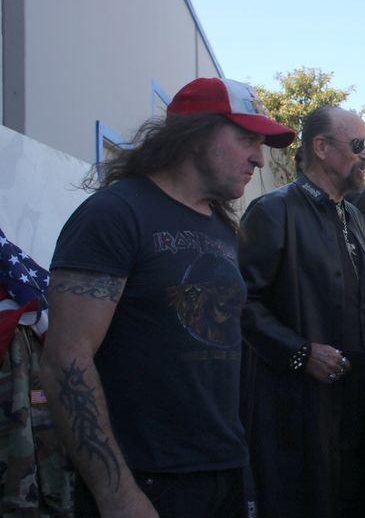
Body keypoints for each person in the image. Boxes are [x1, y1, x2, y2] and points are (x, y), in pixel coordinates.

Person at [41, 77, 296, 518]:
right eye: (246, 139)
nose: (258, 158)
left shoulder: (221, 227)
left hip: (226, 468)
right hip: (147, 480)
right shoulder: (115, 214)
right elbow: (65, 359)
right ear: (194, 135)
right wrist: (117, 494)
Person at [238, 105, 365, 518]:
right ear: (321, 147)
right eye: (359, 144)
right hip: (296, 408)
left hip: (354, 399)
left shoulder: (352, 215)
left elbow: (357, 289)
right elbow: (240, 300)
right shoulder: (271, 211)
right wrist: (298, 352)